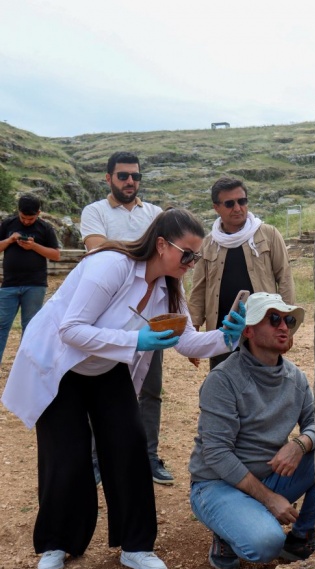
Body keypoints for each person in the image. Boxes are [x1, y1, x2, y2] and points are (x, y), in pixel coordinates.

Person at [1, 208, 247, 569]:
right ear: (162, 245)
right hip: (62, 366)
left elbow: (185, 341)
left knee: (130, 447)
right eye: (188, 255)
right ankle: (57, 541)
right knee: (65, 456)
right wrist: (136, 340)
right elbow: (71, 329)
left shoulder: (168, 286)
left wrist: (227, 337)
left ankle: (136, 546)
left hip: (108, 366)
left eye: (197, 257)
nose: (193, 263)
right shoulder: (112, 266)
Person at [188, 292, 315, 569]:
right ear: (248, 330)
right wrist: (270, 500)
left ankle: (301, 537)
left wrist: (300, 443)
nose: (284, 326)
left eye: (289, 319)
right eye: (274, 319)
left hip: (269, 475)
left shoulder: (296, 378)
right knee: (265, 544)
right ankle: (225, 529)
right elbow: (217, 454)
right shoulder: (223, 380)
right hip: (217, 484)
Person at [80, 152, 173, 485]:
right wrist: (147, 253)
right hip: (108, 316)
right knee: (101, 388)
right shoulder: (94, 212)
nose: (130, 182)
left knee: (151, 390)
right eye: (122, 176)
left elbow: (166, 258)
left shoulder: (156, 214)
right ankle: (96, 458)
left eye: (135, 176)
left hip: (151, 313)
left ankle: (148, 456)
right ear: (108, 178)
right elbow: (97, 250)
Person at [189, 177, 294, 370]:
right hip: (222, 333)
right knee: (224, 384)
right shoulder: (208, 243)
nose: (237, 208)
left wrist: (288, 326)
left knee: (264, 384)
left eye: (242, 201)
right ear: (216, 207)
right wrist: (193, 334)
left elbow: (285, 279)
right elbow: (199, 288)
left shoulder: (269, 235)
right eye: (229, 203)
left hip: (262, 328)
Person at [0, 194, 61, 365]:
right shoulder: (8, 224)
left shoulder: (45, 228)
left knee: (30, 328)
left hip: (35, 285)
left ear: (39, 213)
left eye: (31, 218)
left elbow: (56, 255)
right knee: (1, 326)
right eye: (23, 218)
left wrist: (34, 246)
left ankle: (24, 366)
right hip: (8, 285)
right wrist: (10, 240)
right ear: (18, 212)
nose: (26, 221)